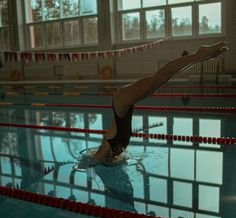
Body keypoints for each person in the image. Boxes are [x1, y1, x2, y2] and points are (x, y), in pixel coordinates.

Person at [78, 42, 228, 167]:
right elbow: (117, 158)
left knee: (160, 76)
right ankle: (200, 57)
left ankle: (199, 54)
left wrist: (86, 165)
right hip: (125, 104)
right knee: (163, 78)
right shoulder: (116, 151)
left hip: (121, 101)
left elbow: (91, 163)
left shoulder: (106, 148)